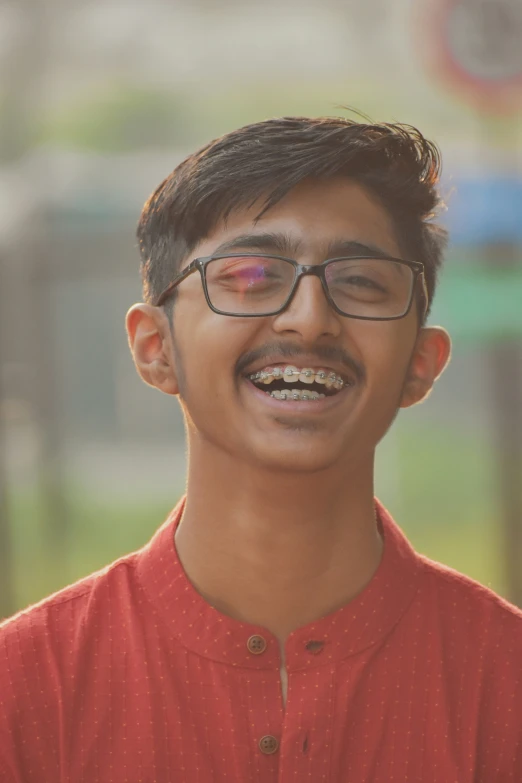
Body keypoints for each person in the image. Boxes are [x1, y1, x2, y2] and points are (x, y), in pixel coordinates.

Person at [1, 115, 521, 783]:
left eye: (360, 280)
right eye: (250, 274)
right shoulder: (28, 691)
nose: (309, 318)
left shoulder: (502, 684)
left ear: (422, 362)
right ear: (154, 347)